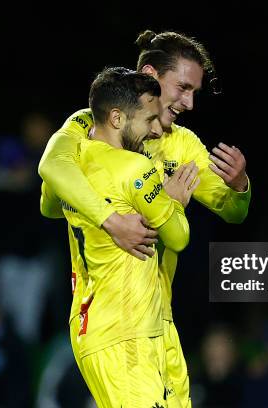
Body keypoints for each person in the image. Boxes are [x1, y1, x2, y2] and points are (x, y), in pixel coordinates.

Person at [38, 30, 251, 407]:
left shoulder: (182, 144)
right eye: (183, 88)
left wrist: (240, 185)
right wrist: (109, 219)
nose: (188, 103)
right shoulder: (90, 127)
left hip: (158, 320)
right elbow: (51, 169)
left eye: (194, 93)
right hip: (113, 321)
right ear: (151, 76)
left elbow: (233, 211)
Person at [42, 67, 195, 407]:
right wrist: (174, 202)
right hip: (125, 334)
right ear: (115, 118)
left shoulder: (74, 161)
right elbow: (179, 237)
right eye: (147, 120)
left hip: (98, 326)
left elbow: (48, 206)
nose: (155, 130)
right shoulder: (135, 168)